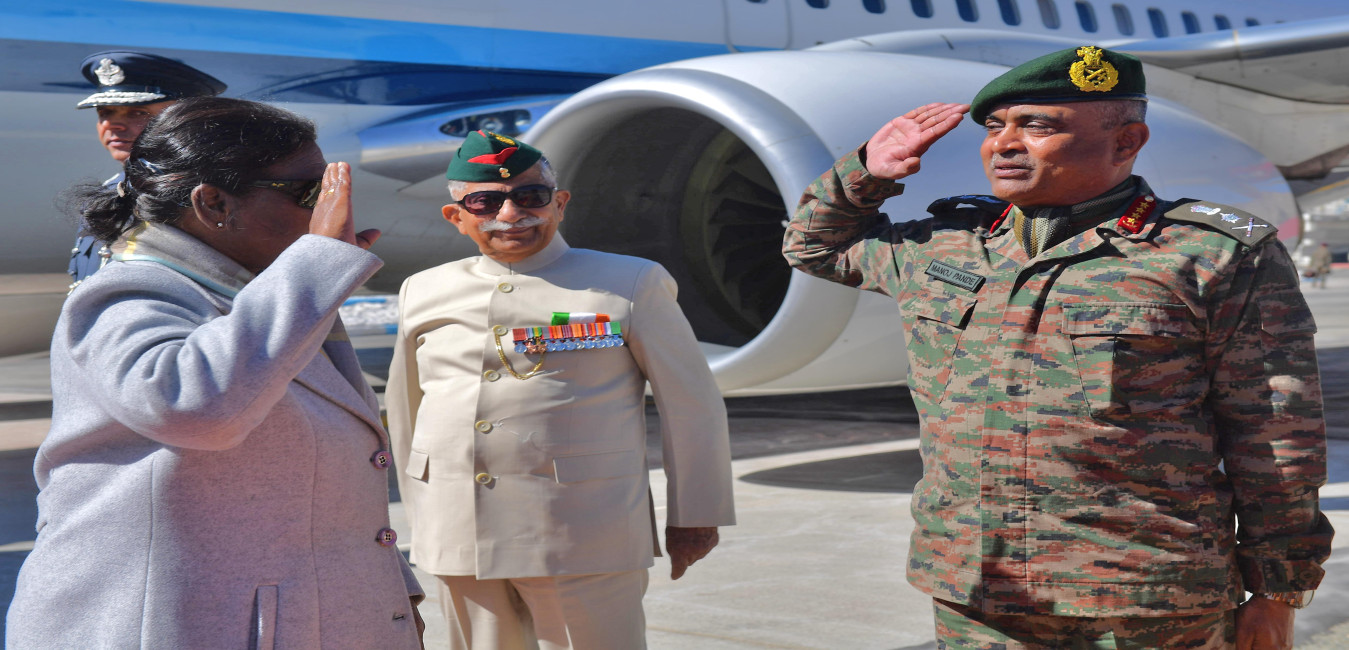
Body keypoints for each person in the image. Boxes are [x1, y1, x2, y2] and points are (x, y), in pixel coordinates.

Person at [783, 46, 1332, 648]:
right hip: (978, 592)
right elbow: (812, 246)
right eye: (994, 127)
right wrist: (867, 171)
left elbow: (1277, 436)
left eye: (1037, 125)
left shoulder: (1212, 254)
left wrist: (1279, 591)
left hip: (1148, 600)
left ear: (1127, 141)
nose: (1004, 144)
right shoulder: (946, 246)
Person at [7, 97, 424, 648]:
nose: (330, 212)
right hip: (163, 626)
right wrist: (315, 263)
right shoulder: (129, 292)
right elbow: (193, 406)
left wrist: (388, 596)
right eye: (308, 193)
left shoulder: (263, 298)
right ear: (213, 203)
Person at [386, 130, 736, 650]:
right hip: (459, 529)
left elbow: (692, 405)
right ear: (455, 216)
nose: (511, 214)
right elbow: (406, 411)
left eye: (530, 196)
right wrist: (423, 519)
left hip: (582, 530)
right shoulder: (423, 289)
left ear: (560, 203)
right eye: (485, 202)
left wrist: (697, 514)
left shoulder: (629, 283)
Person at [67, 50, 225, 290]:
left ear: (186, 119)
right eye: (104, 113)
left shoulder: (209, 195)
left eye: (139, 113)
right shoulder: (108, 193)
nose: (112, 125)